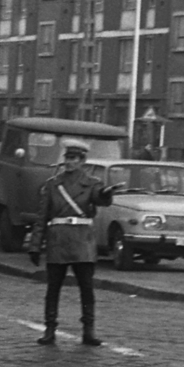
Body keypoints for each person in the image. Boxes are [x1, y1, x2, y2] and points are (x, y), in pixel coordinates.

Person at [28, 139, 120, 347]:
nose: (70, 162)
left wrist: (106, 194)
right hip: (59, 241)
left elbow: (99, 198)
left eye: (74, 159)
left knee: (86, 288)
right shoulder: (53, 185)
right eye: (68, 158)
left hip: (82, 242)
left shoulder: (92, 184)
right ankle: (50, 329)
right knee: (53, 288)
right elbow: (42, 217)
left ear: (82, 161)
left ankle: (89, 330)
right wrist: (35, 245)